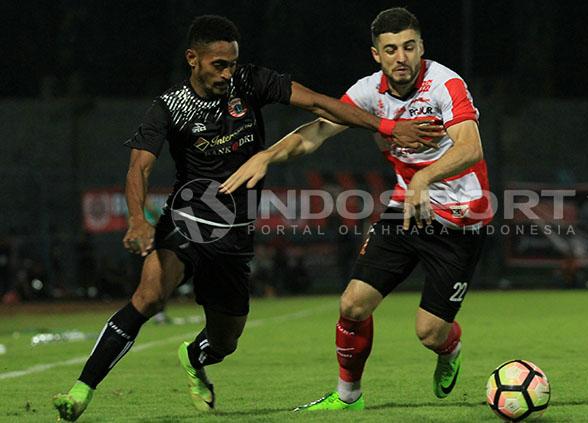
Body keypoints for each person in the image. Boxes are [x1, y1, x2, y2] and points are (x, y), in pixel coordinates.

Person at [52, 14, 441, 421]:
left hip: (235, 236)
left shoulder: (251, 82)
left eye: (232, 63)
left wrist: (387, 126)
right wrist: (137, 219)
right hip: (188, 221)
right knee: (149, 296)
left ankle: (194, 356)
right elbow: (139, 168)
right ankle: (81, 390)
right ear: (193, 59)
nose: (227, 72)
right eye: (218, 64)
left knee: (225, 341)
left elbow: (318, 103)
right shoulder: (168, 107)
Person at [221, 7, 492, 411]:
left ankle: (449, 351)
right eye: (390, 49)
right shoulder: (368, 92)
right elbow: (315, 131)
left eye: (408, 47)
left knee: (429, 332)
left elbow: (471, 148)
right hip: (405, 210)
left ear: (421, 48)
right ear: (376, 55)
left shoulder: (445, 84)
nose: (400, 57)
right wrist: (267, 155)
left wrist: (422, 179)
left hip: (460, 218)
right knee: (352, 304)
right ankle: (348, 396)